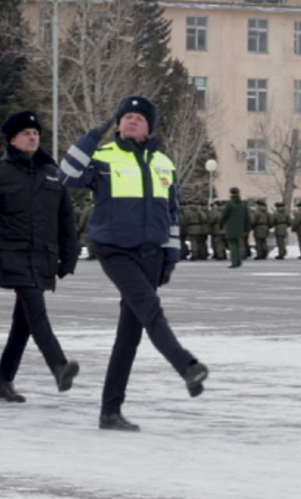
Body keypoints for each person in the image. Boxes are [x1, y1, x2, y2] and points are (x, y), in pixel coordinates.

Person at [59, 95, 208, 431]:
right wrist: (92, 135)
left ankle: (110, 412)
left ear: (149, 126)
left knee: (130, 334)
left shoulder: (163, 163)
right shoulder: (101, 157)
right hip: (115, 250)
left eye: (138, 118)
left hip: (152, 253)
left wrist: (170, 257)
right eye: (125, 116)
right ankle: (186, 366)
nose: (130, 121)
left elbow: (171, 215)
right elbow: (66, 175)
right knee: (150, 310)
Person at [0, 110, 80, 403]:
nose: (32, 137)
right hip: (14, 255)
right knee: (35, 311)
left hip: (43, 256)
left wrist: (69, 255)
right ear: (12, 139)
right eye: (25, 133)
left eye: (35, 133)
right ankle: (58, 365)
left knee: (24, 321)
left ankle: (4, 381)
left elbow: (65, 218)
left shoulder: (51, 173)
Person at [220, 187, 250, 268]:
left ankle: (234, 262)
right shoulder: (243, 204)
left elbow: (224, 215)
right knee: (238, 244)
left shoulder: (229, 204)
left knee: (232, 245)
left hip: (230, 227)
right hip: (240, 227)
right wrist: (246, 228)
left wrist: (221, 225)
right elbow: (247, 217)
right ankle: (239, 261)